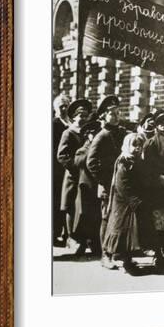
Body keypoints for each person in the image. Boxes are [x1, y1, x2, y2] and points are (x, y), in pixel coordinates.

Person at [86, 95, 127, 268]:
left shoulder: (122, 133)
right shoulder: (101, 136)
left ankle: (118, 252)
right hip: (107, 186)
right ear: (103, 116)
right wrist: (104, 180)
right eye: (112, 113)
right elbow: (91, 162)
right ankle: (105, 255)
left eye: (118, 112)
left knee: (120, 217)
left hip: (121, 186)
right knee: (107, 218)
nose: (116, 116)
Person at [102, 133, 146, 274]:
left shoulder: (136, 160)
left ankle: (127, 259)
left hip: (131, 201)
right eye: (134, 145)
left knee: (129, 233)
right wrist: (133, 200)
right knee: (119, 230)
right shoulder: (124, 161)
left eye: (140, 145)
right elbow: (122, 185)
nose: (137, 148)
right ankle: (107, 256)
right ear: (127, 146)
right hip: (123, 202)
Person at [142, 109, 164, 271]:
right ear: (156, 125)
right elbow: (147, 167)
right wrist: (159, 178)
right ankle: (159, 254)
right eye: (160, 122)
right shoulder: (151, 143)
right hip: (158, 190)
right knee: (159, 224)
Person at [57, 98, 92, 252]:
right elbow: (62, 156)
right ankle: (72, 237)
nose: (83, 119)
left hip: (86, 177)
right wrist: (75, 167)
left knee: (84, 209)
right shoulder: (68, 133)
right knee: (71, 207)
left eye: (85, 116)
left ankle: (84, 239)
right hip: (73, 176)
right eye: (80, 116)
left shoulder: (88, 133)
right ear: (74, 117)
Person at [72, 118, 102, 255]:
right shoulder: (82, 150)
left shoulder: (102, 147)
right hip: (86, 188)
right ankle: (82, 243)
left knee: (96, 216)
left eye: (97, 133)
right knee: (84, 216)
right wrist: (91, 150)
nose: (95, 136)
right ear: (88, 136)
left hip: (97, 186)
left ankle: (95, 243)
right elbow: (78, 161)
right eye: (92, 134)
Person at [52, 94, 71, 246]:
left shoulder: (72, 123)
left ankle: (68, 234)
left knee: (68, 201)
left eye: (66, 105)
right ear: (56, 109)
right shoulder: (54, 124)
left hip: (70, 167)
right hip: (57, 169)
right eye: (61, 106)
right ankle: (55, 233)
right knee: (57, 200)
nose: (64, 108)